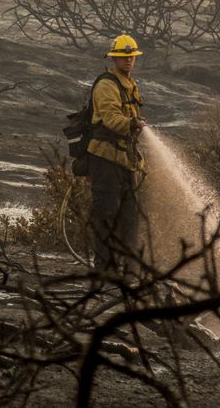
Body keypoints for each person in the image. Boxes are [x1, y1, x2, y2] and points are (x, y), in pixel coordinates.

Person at [86, 34, 147, 275]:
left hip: (125, 160)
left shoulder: (130, 84)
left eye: (131, 56)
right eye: (123, 56)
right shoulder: (106, 85)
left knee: (130, 217)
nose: (128, 60)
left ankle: (131, 271)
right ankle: (105, 272)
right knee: (106, 216)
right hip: (105, 160)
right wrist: (132, 124)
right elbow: (111, 119)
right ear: (114, 58)